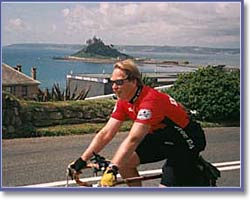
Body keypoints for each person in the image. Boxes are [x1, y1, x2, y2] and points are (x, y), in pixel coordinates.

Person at [68, 59, 207, 187]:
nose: (114, 87)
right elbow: (106, 133)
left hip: (186, 140)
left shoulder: (150, 101)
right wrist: (82, 160)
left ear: (134, 81)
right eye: (112, 82)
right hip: (161, 136)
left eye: (119, 82)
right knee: (125, 163)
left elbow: (134, 138)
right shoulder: (124, 100)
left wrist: (112, 169)